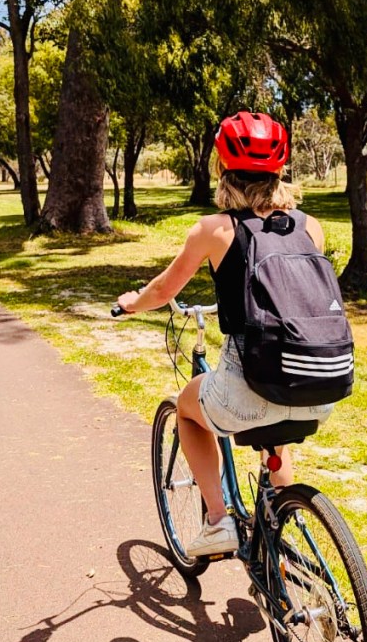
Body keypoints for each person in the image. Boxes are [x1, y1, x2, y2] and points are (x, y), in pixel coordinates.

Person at [115, 111, 334, 558]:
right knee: (274, 422)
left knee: (186, 409)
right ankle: (280, 527)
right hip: (320, 382)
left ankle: (217, 523)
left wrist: (131, 302)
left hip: (248, 384)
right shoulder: (311, 226)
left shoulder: (215, 229)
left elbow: (164, 290)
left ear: (221, 167)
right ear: (280, 169)